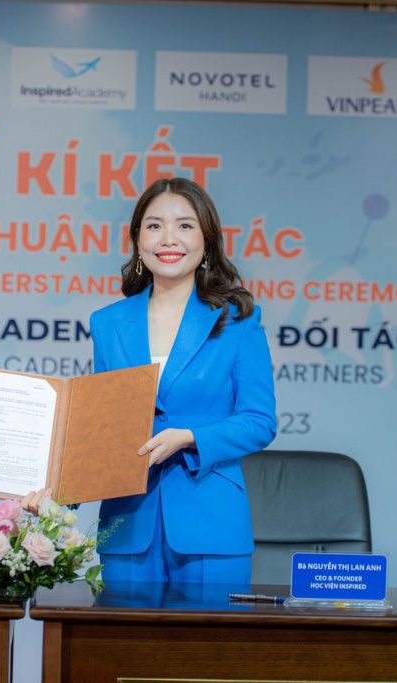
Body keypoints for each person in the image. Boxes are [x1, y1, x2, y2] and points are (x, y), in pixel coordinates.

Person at [90, 177, 277, 584]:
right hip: (127, 522)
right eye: (154, 226)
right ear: (137, 240)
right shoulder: (107, 323)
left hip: (211, 520)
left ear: (206, 241)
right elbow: (102, 424)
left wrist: (189, 437)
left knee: (211, 631)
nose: (168, 238)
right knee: (119, 629)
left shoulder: (238, 321)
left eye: (185, 225)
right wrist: (59, 494)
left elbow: (259, 421)